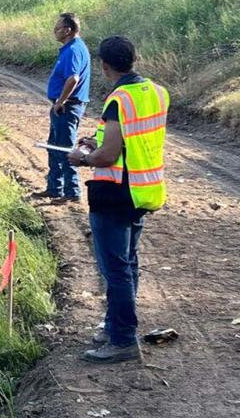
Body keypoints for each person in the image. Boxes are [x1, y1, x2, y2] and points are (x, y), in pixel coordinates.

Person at [67, 35, 169, 364]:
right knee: (128, 263)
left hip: (115, 192)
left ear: (103, 65)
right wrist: (94, 139)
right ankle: (115, 327)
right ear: (133, 58)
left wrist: (82, 158)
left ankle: (123, 339)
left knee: (115, 270)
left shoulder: (118, 100)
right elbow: (129, 139)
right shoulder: (156, 92)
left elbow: (109, 155)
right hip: (143, 189)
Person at [35, 12, 91, 203]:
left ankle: (71, 191)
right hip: (63, 106)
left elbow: (73, 78)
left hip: (68, 106)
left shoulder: (74, 49)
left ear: (67, 30)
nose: (54, 31)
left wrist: (61, 102)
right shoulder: (70, 49)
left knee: (65, 148)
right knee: (54, 147)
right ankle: (54, 188)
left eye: (57, 28)